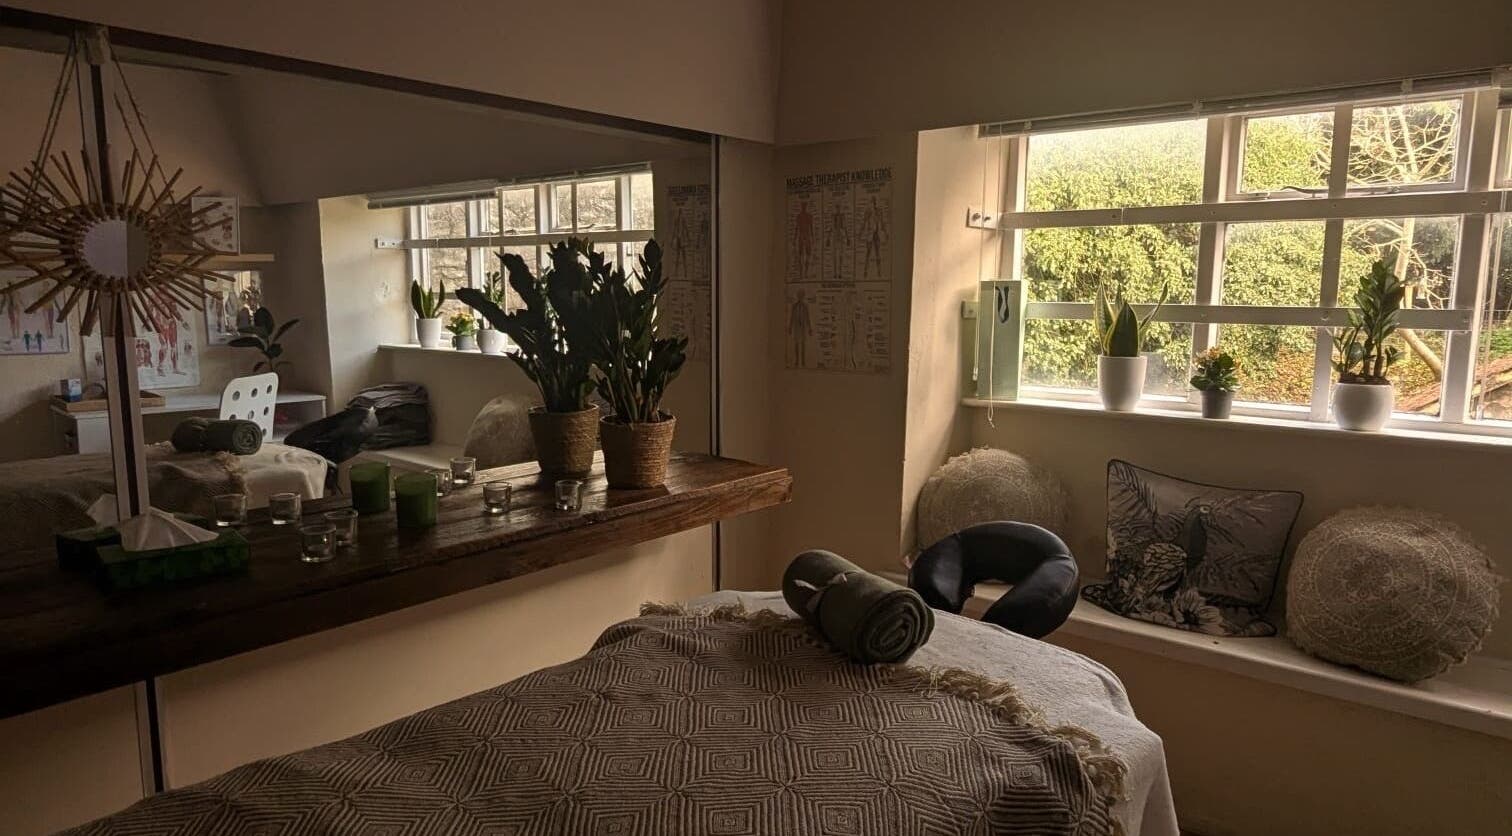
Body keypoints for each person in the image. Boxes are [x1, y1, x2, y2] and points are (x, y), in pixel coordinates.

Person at [788, 289, 812, 367]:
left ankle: (803, 361)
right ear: (797, 296)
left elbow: (808, 318)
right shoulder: (794, 306)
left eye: (802, 296)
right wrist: (790, 327)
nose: (800, 297)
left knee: (803, 344)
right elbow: (791, 317)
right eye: (799, 295)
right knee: (796, 343)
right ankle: (797, 361)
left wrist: (809, 328)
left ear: (803, 297)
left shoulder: (805, 306)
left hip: (803, 327)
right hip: (796, 327)